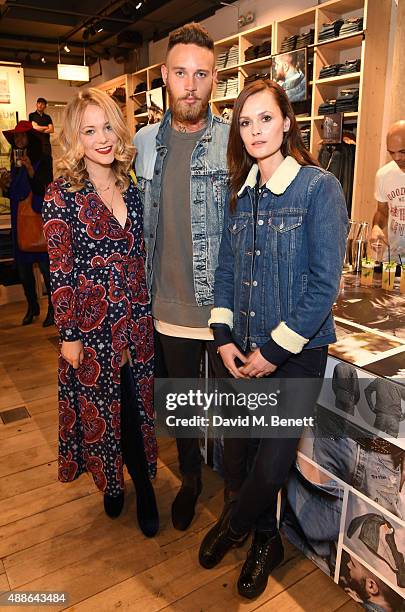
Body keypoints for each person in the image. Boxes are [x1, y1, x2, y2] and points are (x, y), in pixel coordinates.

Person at [198, 79, 348, 599]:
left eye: (266, 118)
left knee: (269, 465)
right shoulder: (240, 193)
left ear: (287, 122)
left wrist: (274, 351)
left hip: (297, 354)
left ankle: (233, 525)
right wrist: (222, 336)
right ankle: (267, 539)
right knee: (237, 456)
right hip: (241, 351)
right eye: (245, 122)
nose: (256, 130)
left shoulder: (318, 188)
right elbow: (224, 270)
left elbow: (323, 284)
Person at [41, 88, 159, 537]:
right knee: (106, 408)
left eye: (108, 126)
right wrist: (68, 334)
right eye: (89, 130)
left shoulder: (133, 185)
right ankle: (114, 484)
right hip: (91, 327)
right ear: (76, 138)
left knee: (137, 403)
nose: (102, 138)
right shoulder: (61, 195)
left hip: (137, 320)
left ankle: (142, 482)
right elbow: (60, 270)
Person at [134, 22, 231, 532]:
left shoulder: (233, 142)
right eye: (180, 73)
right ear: (164, 78)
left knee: (238, 413)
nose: (190, 85)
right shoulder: (143, 142)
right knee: (184, 407)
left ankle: (239, 503)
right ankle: (191, 481)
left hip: (223, 308)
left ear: (215, 79)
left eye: (201, 74)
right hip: (166, 308)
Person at [1, 120, 53, 326]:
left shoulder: (43, 160)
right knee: (24, 272)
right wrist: (3, 185)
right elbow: (14, 193)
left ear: (30, 138)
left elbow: (44, 189)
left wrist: (31, 169)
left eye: (22, 136)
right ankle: (32, 307)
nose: (18, 140)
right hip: (19, 223)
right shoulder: (15, 164)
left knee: (47, 271)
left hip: (37, 223)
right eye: (16, 137)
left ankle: (53, 310)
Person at [371, 120, 405, 261]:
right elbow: (382, 212)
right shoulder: (384, 175)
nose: (397, 158)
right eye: (392, 152)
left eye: (403, 151)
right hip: (393, 260)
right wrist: (376, 227)